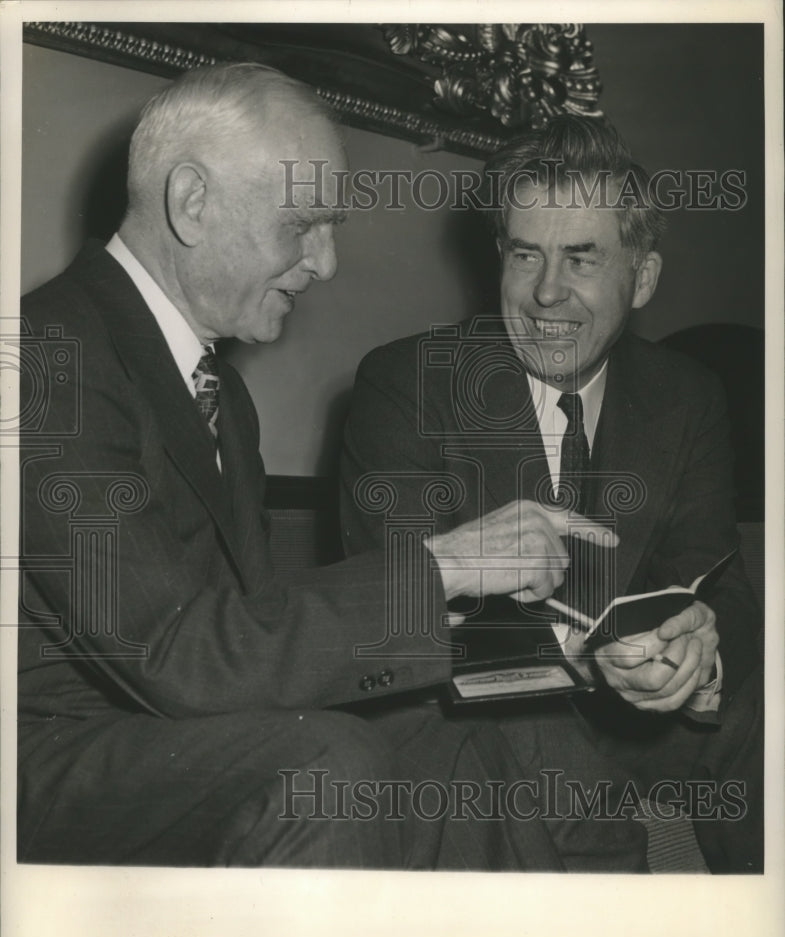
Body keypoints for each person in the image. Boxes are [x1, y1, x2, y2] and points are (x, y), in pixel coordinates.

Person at [18, 64, 616, 869]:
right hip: (48, 758)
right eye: (304, 224)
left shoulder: (217, 389)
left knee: (486, 733)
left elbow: (253, 630)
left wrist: (518, 651)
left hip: (166, 725)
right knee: (326, 766)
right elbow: (176, 657)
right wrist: (444, 563)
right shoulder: (43, 359)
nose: (327, 263)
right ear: (193, 203)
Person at [341, 116, 763, 872]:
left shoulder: (686, 395)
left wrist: (695, 649)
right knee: (552, 762)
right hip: (483, 709)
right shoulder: (405, 383)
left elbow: (719, 578)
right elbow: (396, 617)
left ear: (641, 279)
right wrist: (578, 661)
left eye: (580, 259)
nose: (545, 293)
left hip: (635, 719)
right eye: (524, 254)